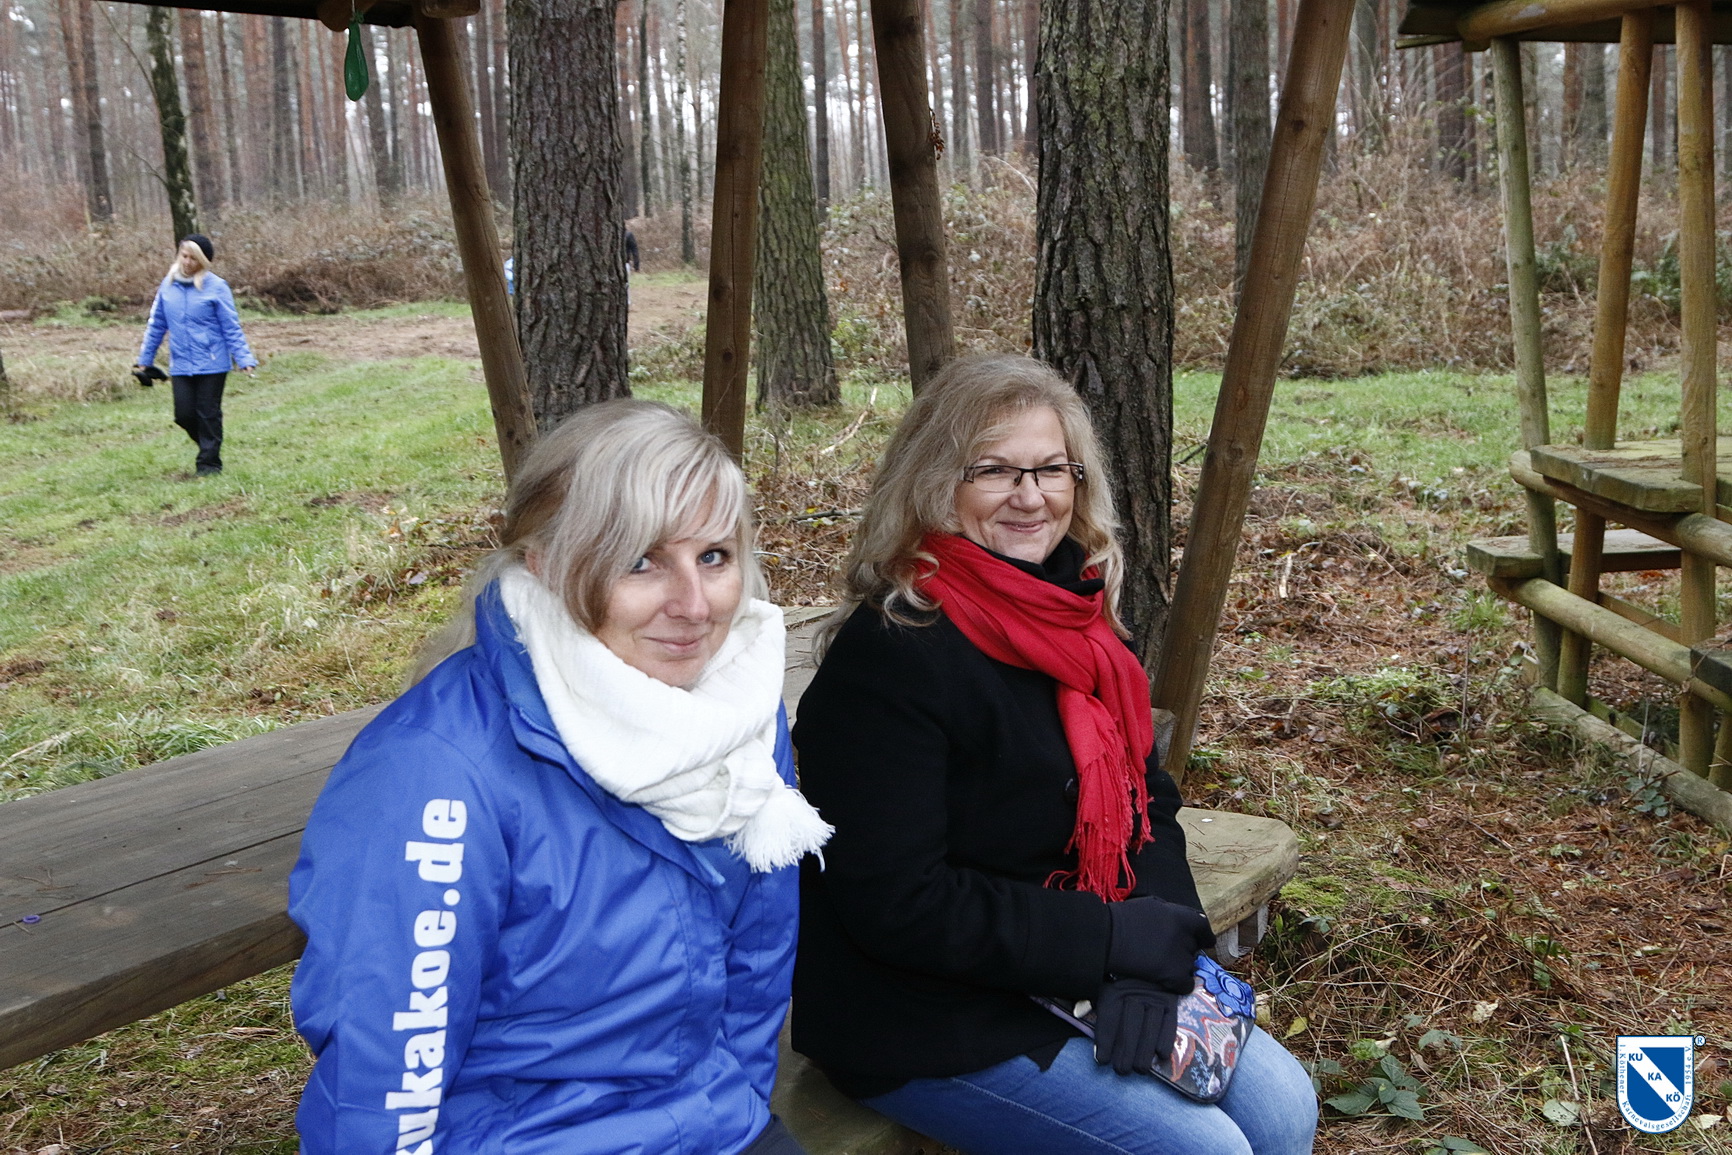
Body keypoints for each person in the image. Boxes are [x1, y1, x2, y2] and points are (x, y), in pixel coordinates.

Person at [790, 355, 1318, 1155]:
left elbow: (1147, 797)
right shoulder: (892, 653)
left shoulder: (1078, 616)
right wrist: (1106, 940)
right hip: (929, 1012)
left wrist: (1154, 946)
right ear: (935, 483)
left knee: (1283, 1109)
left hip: (1077, 964)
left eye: (1049, 469)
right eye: (994, 470)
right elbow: (899, 905)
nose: (1030, 495)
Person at [288, 400, 831, 1155]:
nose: (694, 605)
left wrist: (734, 1110)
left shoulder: (735, 715)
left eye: (714, 556)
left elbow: (757, 958)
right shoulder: (435, 770)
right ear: (543, 562)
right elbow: (383, 1073)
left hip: (716, 1123)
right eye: (640, 561)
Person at [134, 234, 257, 476]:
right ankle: (209, 446)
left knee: (208, 413)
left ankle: (209, 465)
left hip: (212, 362)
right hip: (181, 362)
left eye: (194, 258)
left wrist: (244, 358)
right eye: (184, 256)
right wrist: (144, 360)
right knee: (183, 415)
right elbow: (156, 325)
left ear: (203, 261)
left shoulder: (217, 287)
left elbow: (230, 326)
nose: (188, 262)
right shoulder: (167, 286)